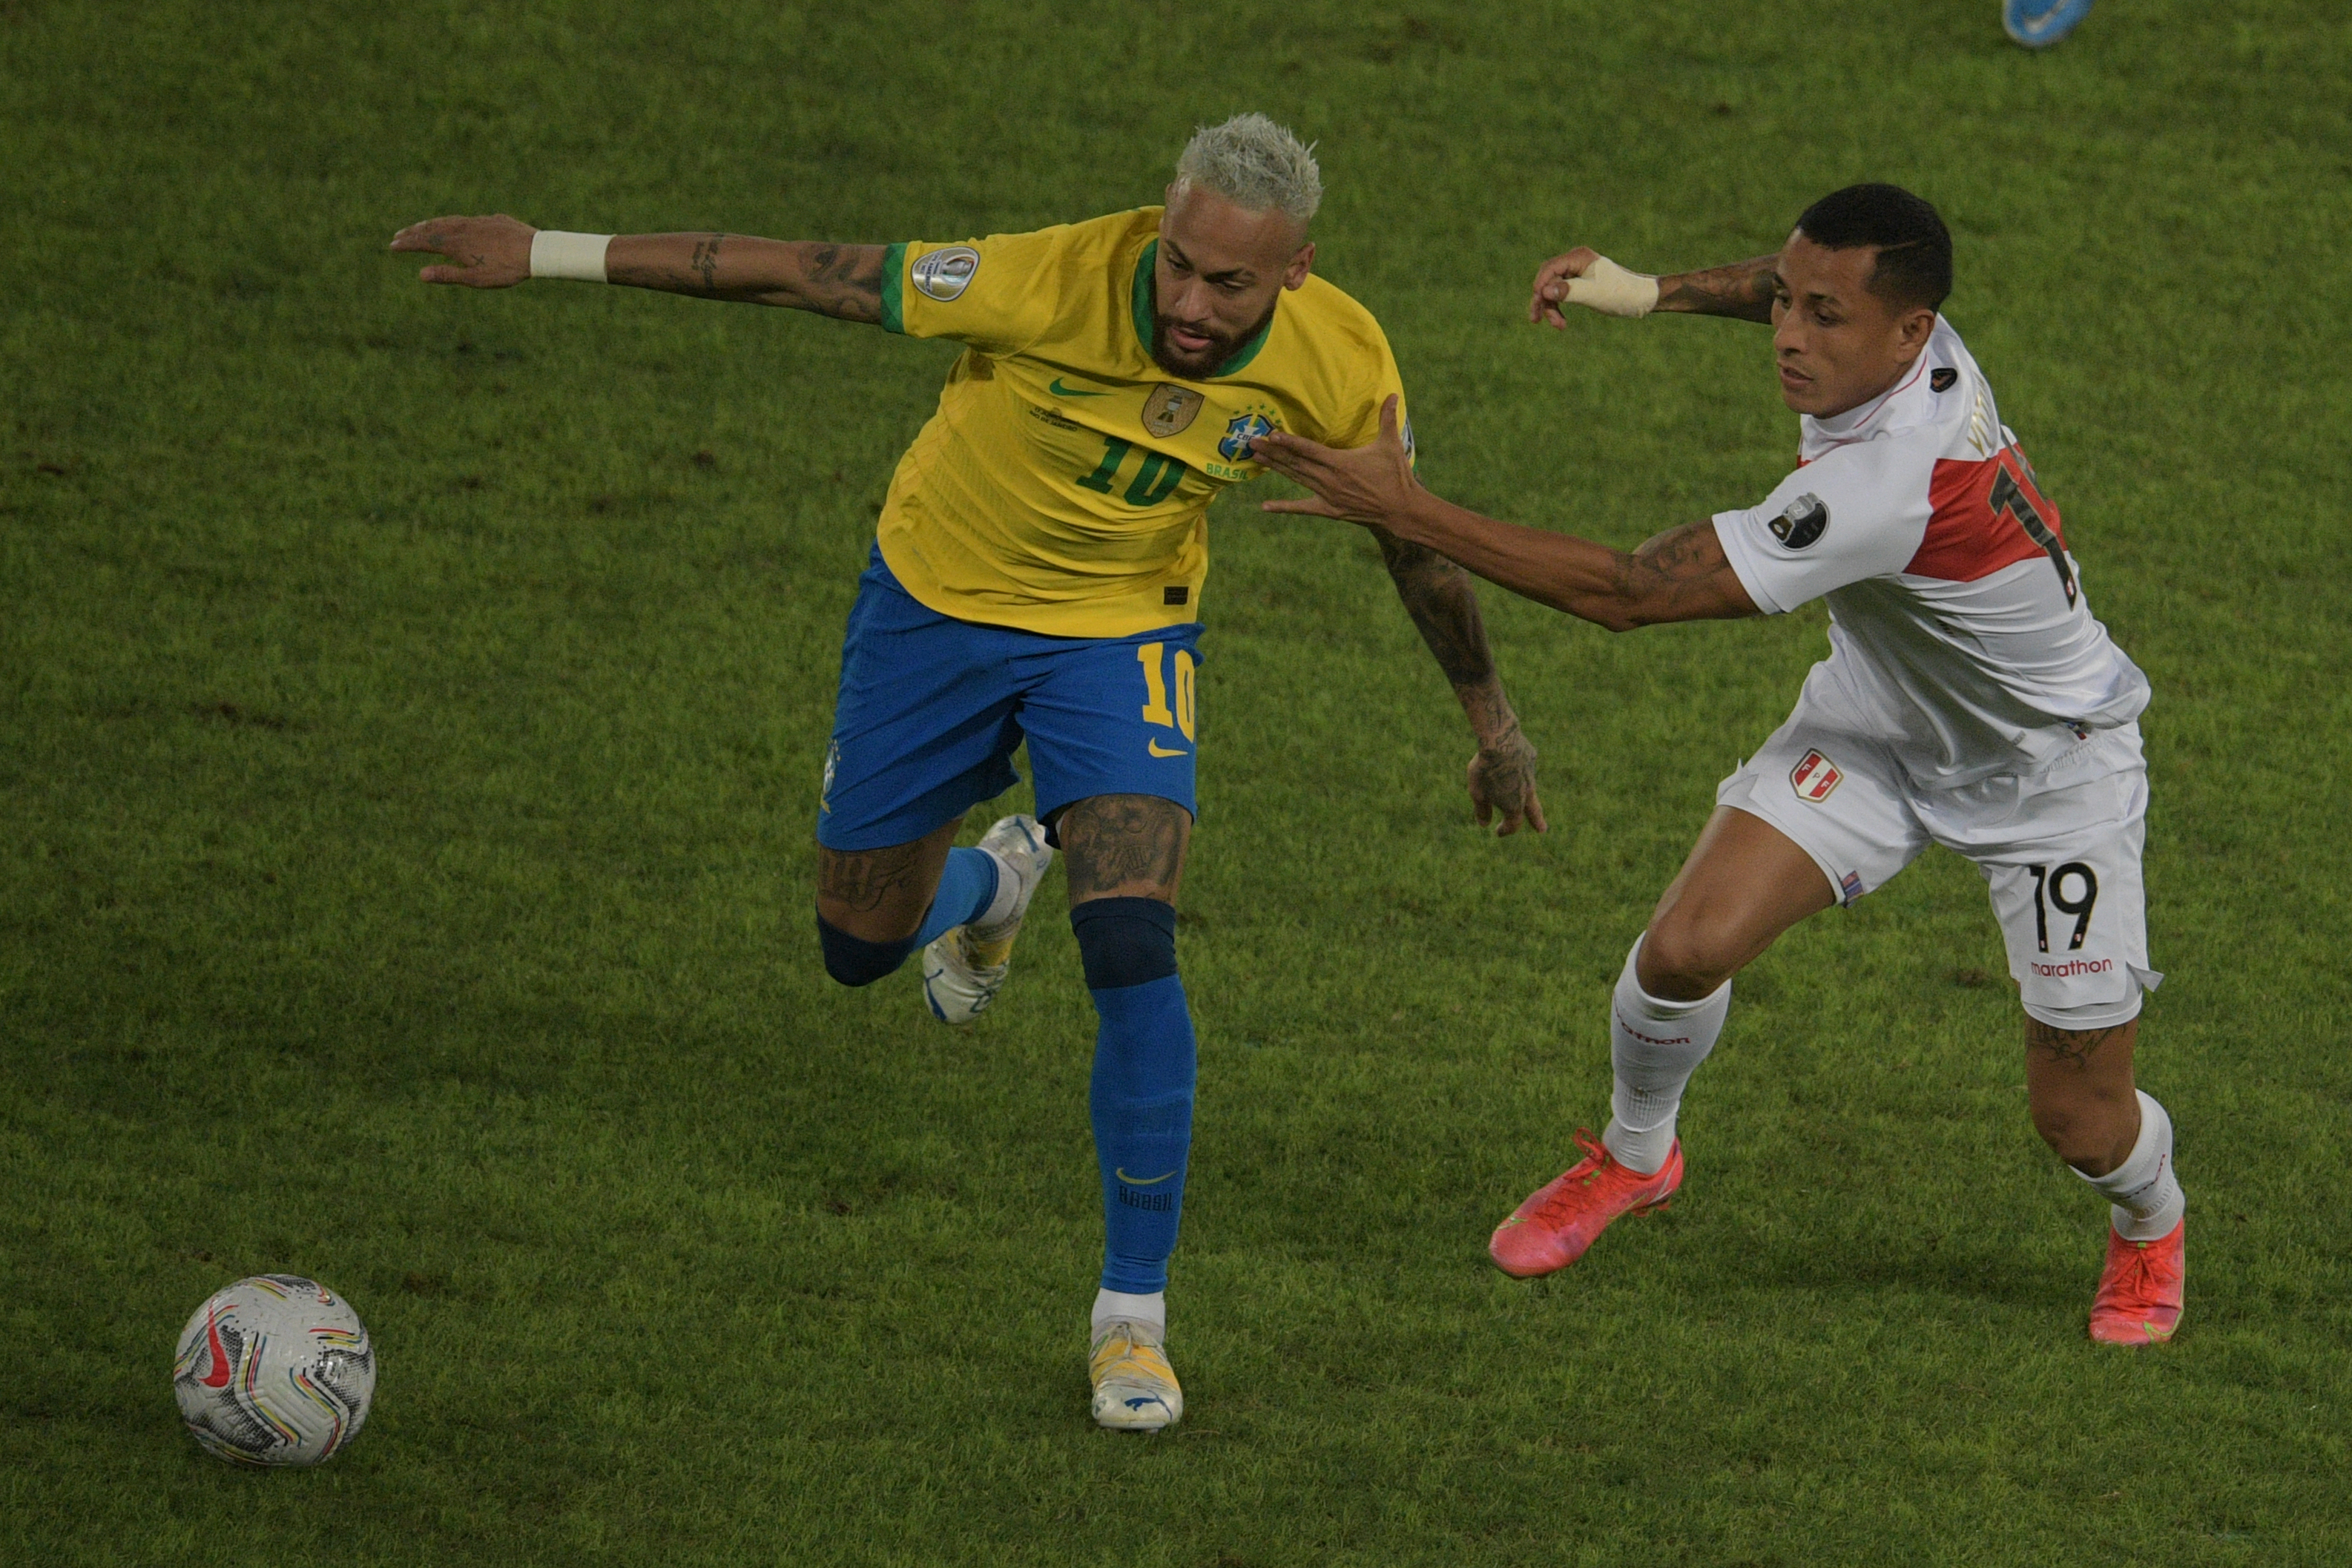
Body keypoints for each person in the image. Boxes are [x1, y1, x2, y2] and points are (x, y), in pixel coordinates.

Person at [389, 113, 1546, 1429]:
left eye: (1229, 283)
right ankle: (991, 889)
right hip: (935, 605)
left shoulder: (1344, 359)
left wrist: (1493, 721)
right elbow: (790, 269)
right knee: (856, 944)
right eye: (1177, 263)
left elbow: (1415, 543)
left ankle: (1132, 1320)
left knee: (1131, 941)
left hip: (1123, 630)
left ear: (1296, 270)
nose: (1188, 300)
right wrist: (544, 250)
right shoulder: (1034, 278)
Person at [1249, 184, 2184, 1346]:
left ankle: (2151, 1222)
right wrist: (1651, 292)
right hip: (1882, 721)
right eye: (1790, 304)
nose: (1792, 335)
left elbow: (1630, 595)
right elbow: (1793, 282)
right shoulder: (1908, 338)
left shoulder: (1888, 481)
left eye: (1824, 319)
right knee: (1684, 949)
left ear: (1910, 331)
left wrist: (1406, 506)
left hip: (2054, 777)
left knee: (2081, 1123)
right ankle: (1638, 1158)